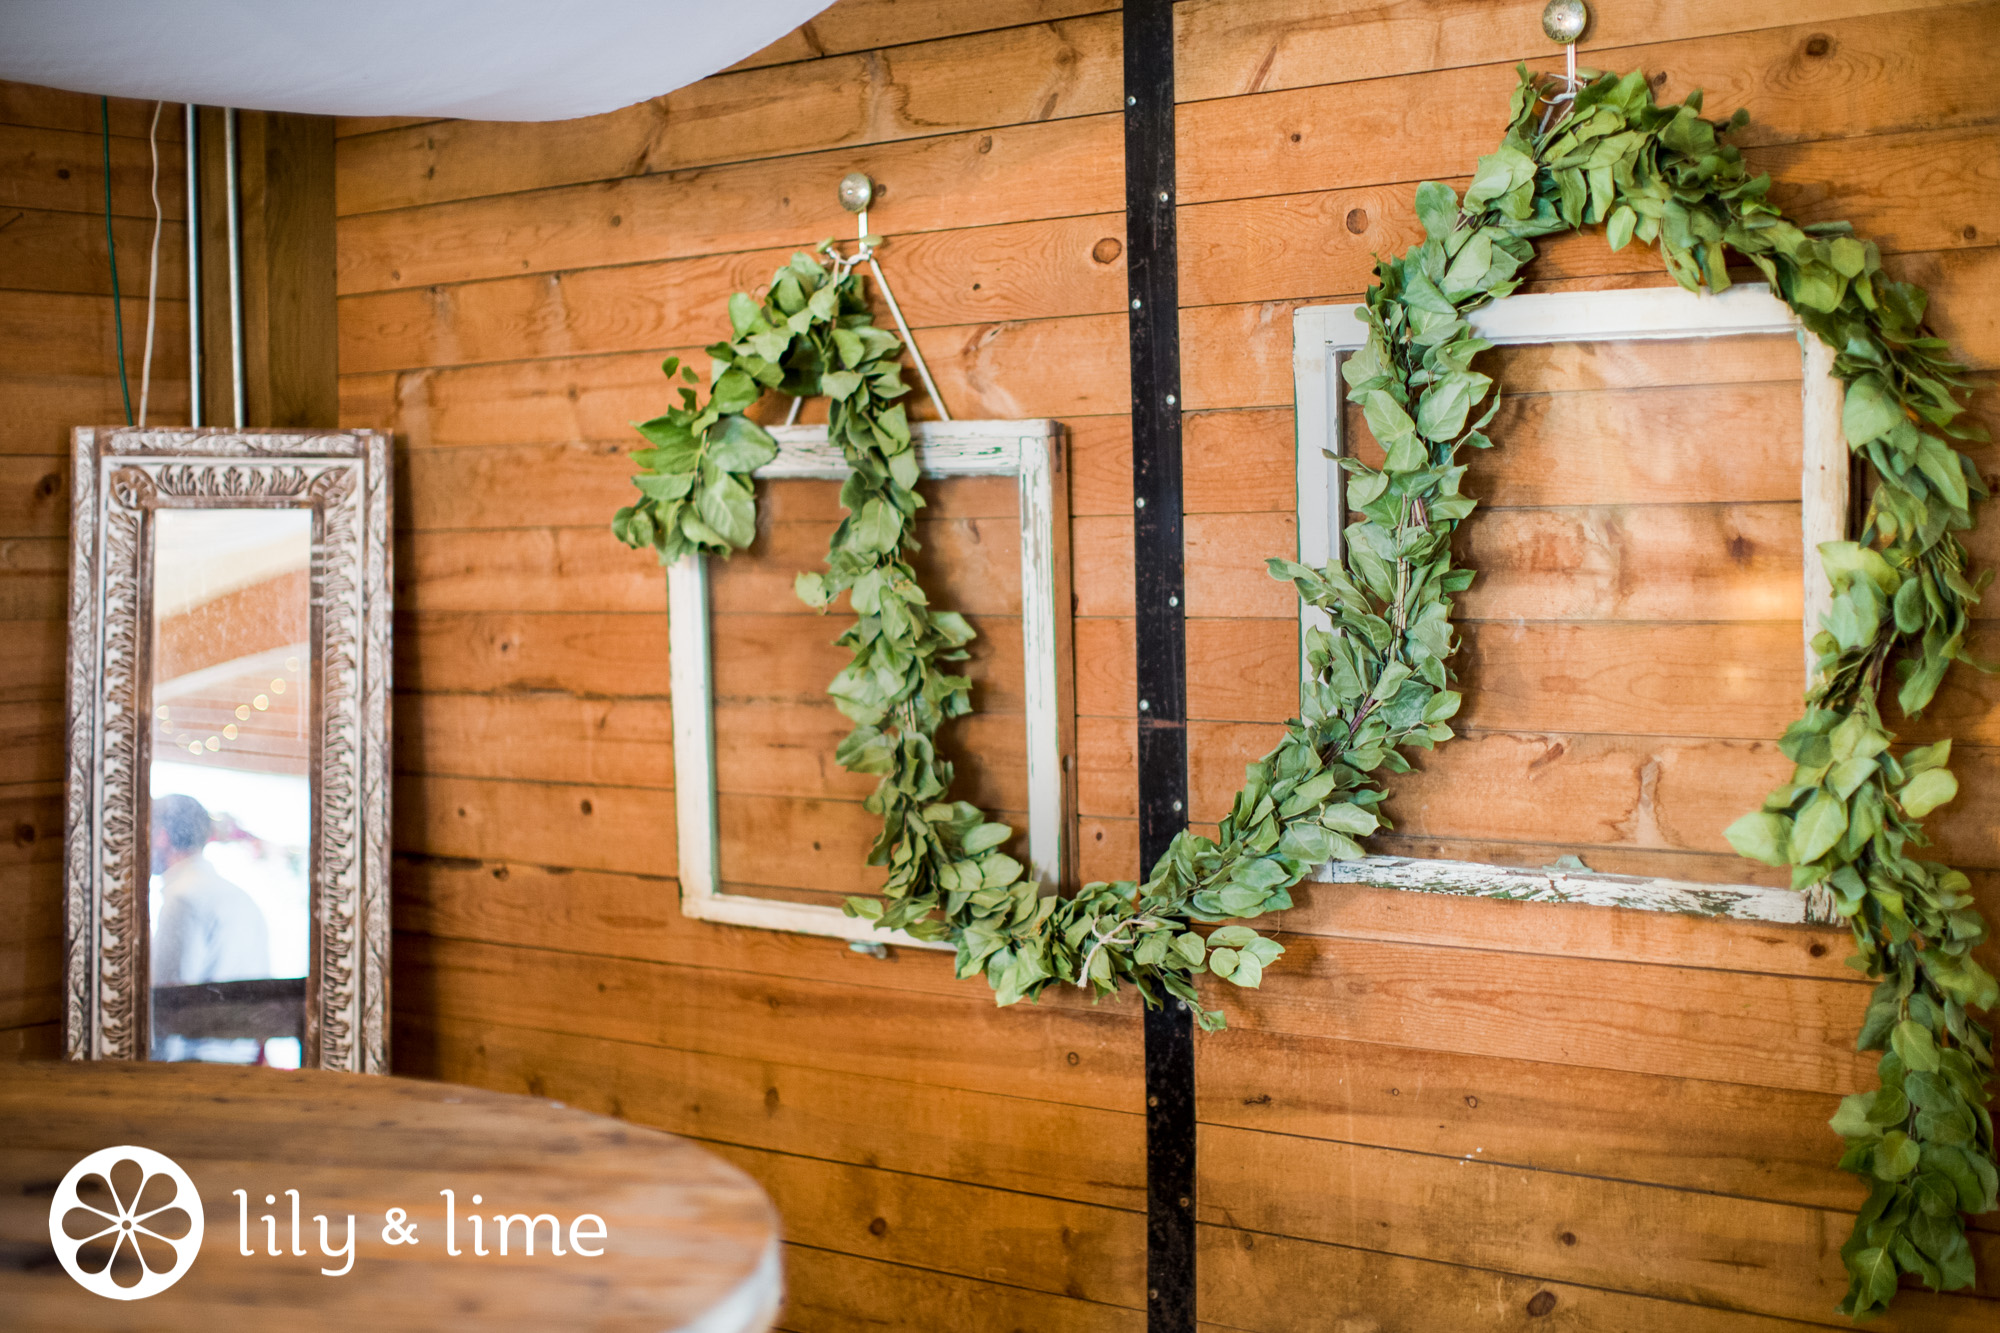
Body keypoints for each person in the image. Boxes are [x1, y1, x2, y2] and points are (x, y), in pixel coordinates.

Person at [151, 794, 271, 1061]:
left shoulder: (183, 899)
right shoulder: (242, 898)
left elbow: (170, 1006)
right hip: (244, 1065)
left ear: (162, 835)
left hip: (193, 1072)